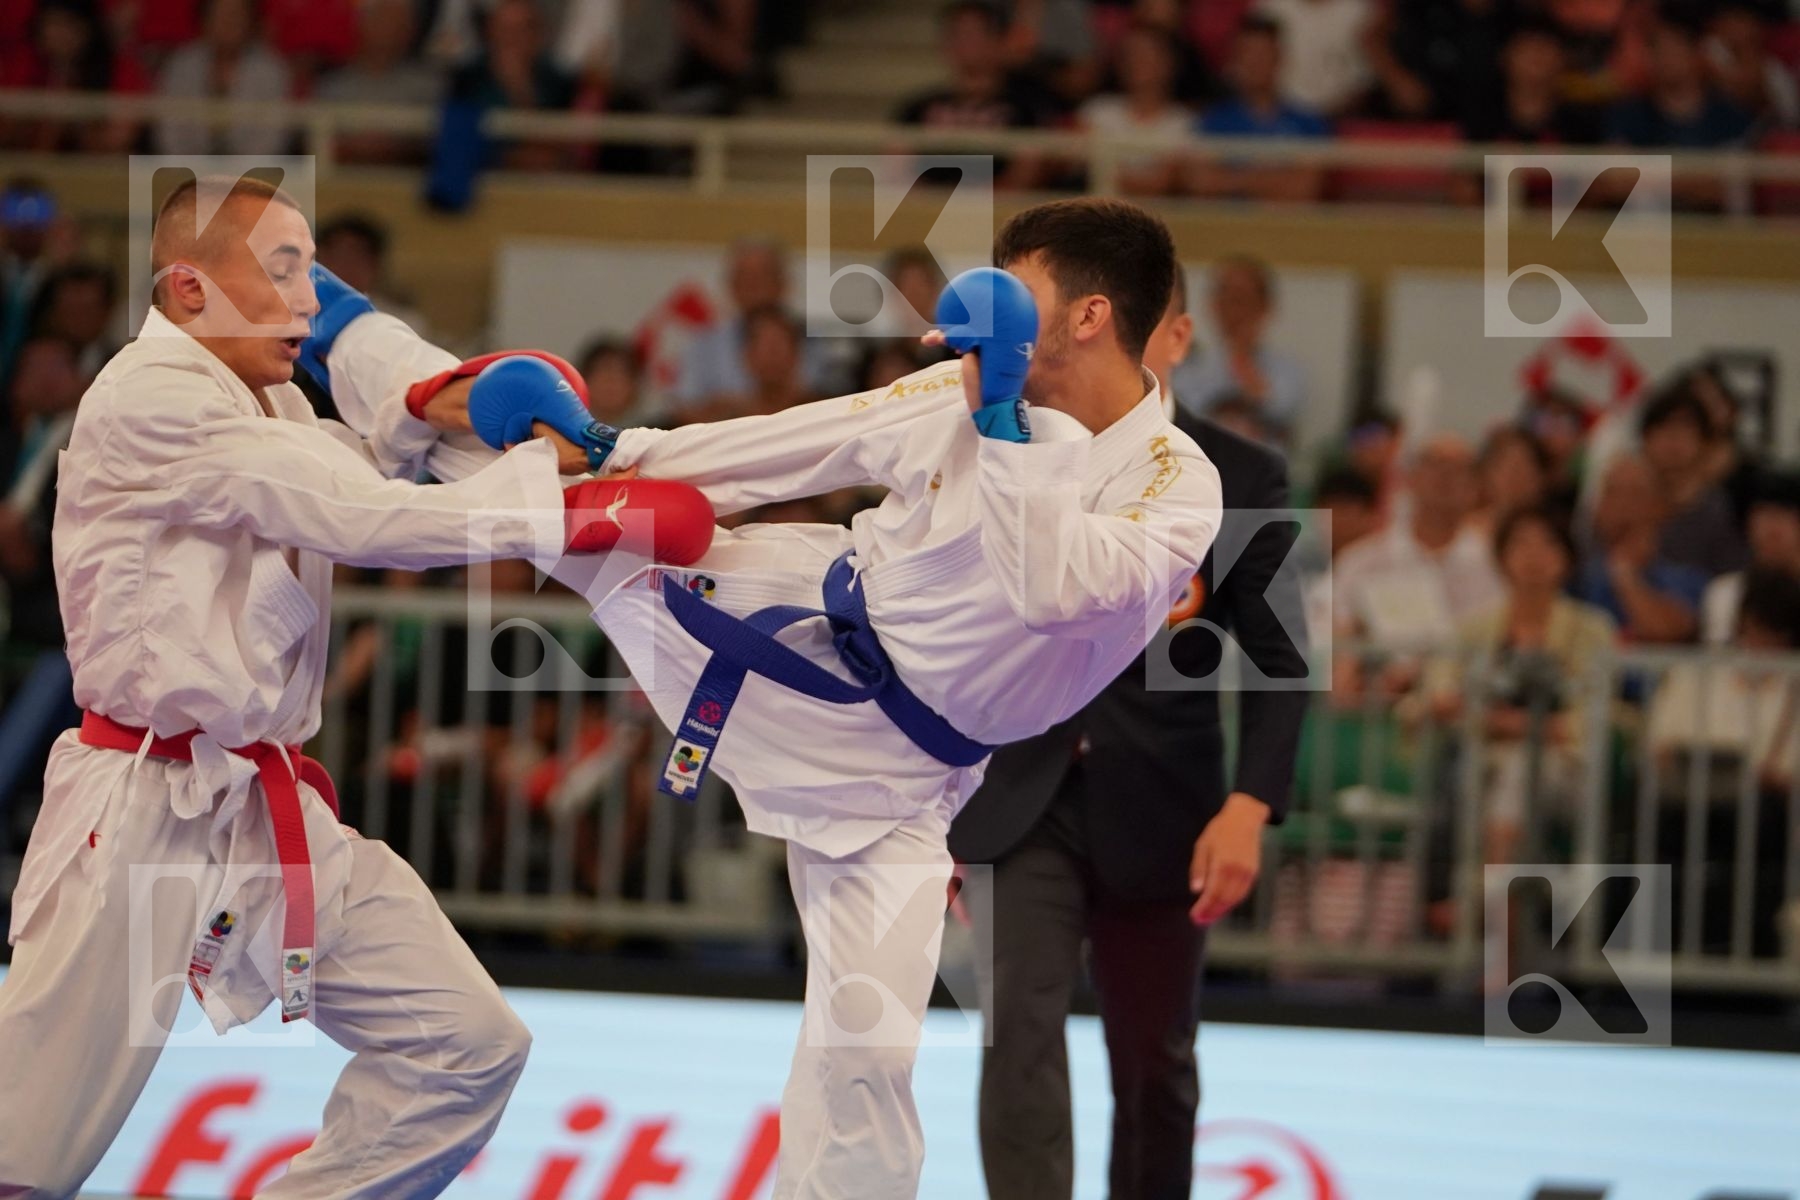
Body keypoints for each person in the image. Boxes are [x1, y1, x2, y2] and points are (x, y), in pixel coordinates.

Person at [319, 195, 1222, 1199]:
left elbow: (1057, 591)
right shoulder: (956, 392)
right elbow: (794, 445)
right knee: (554, 501)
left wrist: (1003, 423)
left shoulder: (1177, 484)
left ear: (1088, 315)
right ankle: (345, 332)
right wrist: (616, 446)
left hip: (909, 780)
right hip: (786, 621)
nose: (990, 306)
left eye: (1021, 285)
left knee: (867, 1057)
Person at [0, 175, 710, 1197]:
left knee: (465, 1047)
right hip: (145, 812)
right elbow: (367, 515)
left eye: (310, 274)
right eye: (282, 271)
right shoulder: (149, 395)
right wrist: (574, 512)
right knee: (23, 1156)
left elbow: (389, 452)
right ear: (190, 290)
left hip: (263, 808)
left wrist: (451, 398)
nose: (305, 302)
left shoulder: (277, 398)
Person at [948, 269, 1306, 1200]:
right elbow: (945, 630)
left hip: (1168, 805)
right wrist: (931, 793)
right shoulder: (1008, 444)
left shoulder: (1242, 473)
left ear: (1175, 336)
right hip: (1018, 792)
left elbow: (1285, 659)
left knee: (1153, 1060)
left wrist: (1252, 802)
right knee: (1016, 1033)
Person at [1188, 16, 1330, 202]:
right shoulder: (1212, 122)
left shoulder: (1308, 123)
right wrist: (1268, 179)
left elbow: (1304, 190)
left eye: (1263, 53)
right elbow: (1202, 184)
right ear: (1235, 61)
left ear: (1279, 57)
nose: (1256, 62)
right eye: (1248, 53)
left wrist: (1232, 179)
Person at [1573, 454, 1707, 644]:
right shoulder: (1575, 574)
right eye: (1612, 493)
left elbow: (1669, 633)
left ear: (1659, 507)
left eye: (1635, 494)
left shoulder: (1686, 577)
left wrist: (1625, 574)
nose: (1623, 506)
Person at [1176, 253, 1305, 438]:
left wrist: (1242, 358)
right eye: (1225, 297)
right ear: (1213, 305)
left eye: (1242, 298)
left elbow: (1281, 410)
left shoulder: (1288, 371)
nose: (1233, 309)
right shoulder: (1187, 366)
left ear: (1265, 306)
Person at [153, 0, 294, 158]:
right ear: (205, 19)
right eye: (219, 14)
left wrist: (239, 174)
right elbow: (169, 130)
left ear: (250, 20)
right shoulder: (181, 65)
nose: (228, 22)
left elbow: (273, 137)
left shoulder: (272, 69)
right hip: (186, 172)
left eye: (236, 15)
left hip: (253, 174)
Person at [1700, 472, 1800, 645]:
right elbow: (1720, 659)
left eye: (1785, 514)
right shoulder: (1726, 591)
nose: (1773, 526)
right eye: (1764, 514)